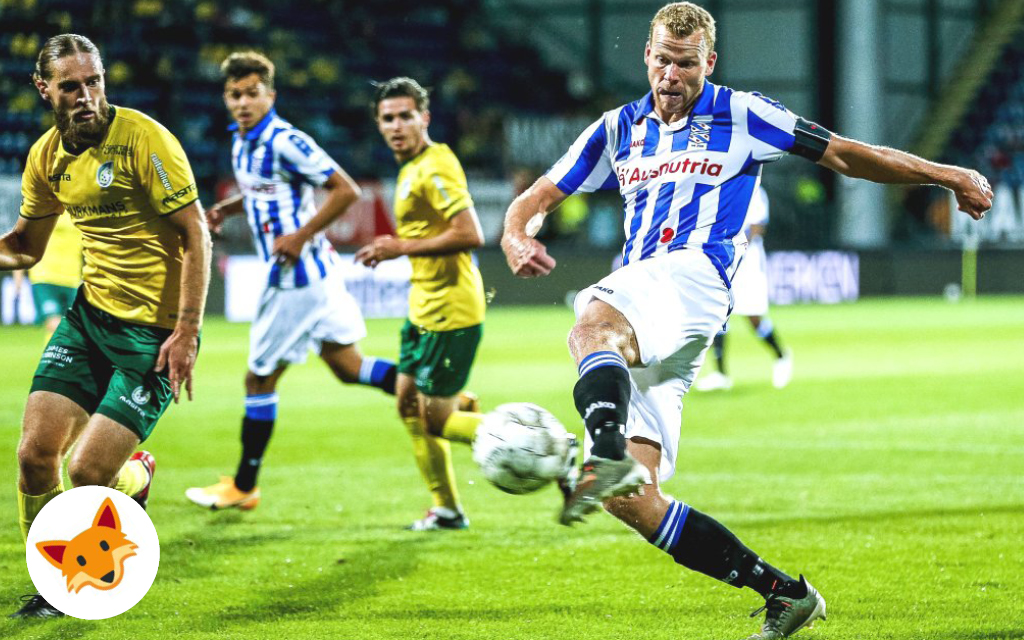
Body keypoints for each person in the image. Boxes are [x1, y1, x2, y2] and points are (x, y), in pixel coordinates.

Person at [500, 4, 992, 639]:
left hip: (695, 277)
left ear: (709, 62)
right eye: (661, 59)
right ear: (646, 55)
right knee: (634, 501)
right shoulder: (616, 129)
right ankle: (784, 594)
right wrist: (515, 235)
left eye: (685, 63)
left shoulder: (743, 113)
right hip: (658, 306)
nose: (670, 74)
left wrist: (946, 175)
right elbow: (538, 196)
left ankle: (605, 452)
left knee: (589, 330)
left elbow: (843, 154)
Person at [1, 34, 212, 618]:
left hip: (155, 335)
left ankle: (128, 480)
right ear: (45, 89)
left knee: (88, 471)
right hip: (90, 320)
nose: (87, 96)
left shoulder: (145, 139)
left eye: (94, 82)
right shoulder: (46, 156)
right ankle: (54, 585)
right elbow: (25, 247)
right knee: (34, 456)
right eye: (71, 86)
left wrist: (188, 331)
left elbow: (195, 233)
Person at [185, 52, 398, 512]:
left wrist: (301, 235)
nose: (243, 102)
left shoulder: (285, 140)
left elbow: (346, 189)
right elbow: (265, 190)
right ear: (226, 99)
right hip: (317, 274)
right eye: (235, 95)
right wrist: (229, 208)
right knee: (349, 367)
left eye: (252, 93)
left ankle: (244, 486)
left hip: (296, 279)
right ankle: (438, 396)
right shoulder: (242, 142)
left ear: (271, 95)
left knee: (258, 380)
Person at [356, 77, 487, 531]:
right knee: (407, 402)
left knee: (434, 421)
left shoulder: (435, 165)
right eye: (387, 118)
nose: (396, 126)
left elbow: (471, 233)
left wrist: (399, 248)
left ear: (423, 118)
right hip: (423, 308)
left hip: (451, 311)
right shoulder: (410, 166)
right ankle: (448, 509)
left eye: (405, 116)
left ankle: (540, 443)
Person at [695, 185, 792, 391]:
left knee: (753, 317)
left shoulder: (755, 189)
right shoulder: (721, 186)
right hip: (721, 259)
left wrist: (734, 248)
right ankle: (721, 374)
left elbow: (757, 227)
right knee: (719, 315)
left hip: (748, 260)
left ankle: (781, 356)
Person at [11, 213, 83, 340]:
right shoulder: (43, 208)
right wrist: (18, 279)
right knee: (54, 323)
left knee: (76, 327)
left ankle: (53, 358)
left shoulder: (83, 210)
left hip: (72, 279)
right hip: (45, 276)